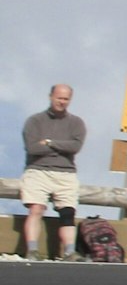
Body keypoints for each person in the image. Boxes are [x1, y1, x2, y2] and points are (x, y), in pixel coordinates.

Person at [20, 84, 87, 261]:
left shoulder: (76, 123)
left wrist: (49, 142)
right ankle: (32, 250)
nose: (62, 102)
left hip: (66, 173)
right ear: (50, 96)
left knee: (67, 212)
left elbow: (75, 146)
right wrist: (61, 147)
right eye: (59, 98)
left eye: (66, 99)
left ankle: (69, 252)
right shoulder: (34, 121)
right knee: (36, 208)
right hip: (38, 170)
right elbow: (32, 147)